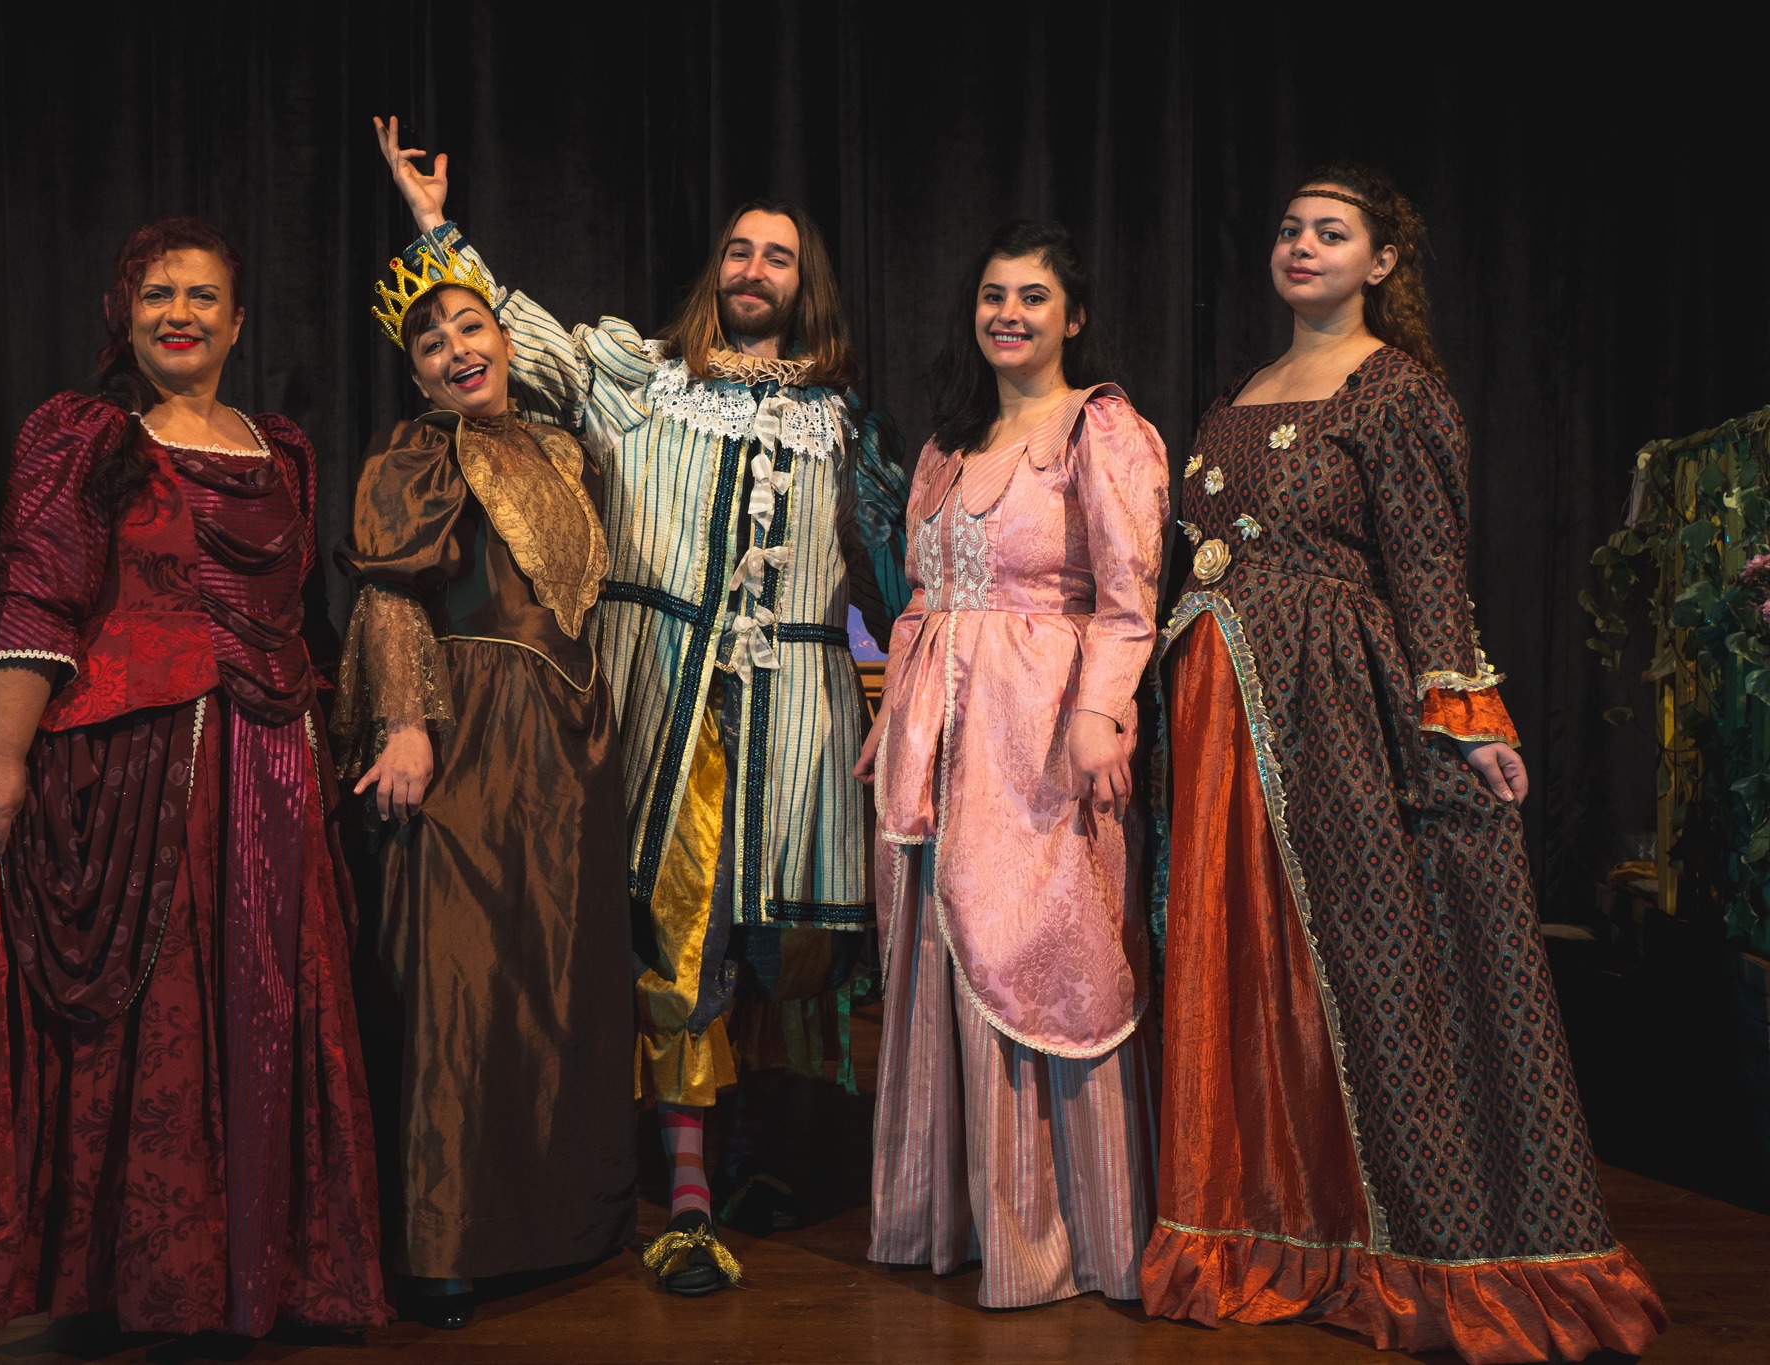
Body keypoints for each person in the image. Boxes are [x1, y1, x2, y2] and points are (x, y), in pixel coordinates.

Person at [370, 119, 909, 1293]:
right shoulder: (639, 380)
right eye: (739, 251)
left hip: (797, 724)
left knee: (782, 946)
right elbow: (510, 334)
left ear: (804, 282)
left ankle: (765, 1155)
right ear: (716, 270)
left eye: (776, 256)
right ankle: (685, 1193)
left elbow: (899, 575)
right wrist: (435, 228)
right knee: (675, 940)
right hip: (663, 711)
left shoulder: (841, 423)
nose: (753, 270)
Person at [1140, 164, 1666, 1362]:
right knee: (1243, 963)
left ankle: (1410, 1245)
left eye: (1329, 233)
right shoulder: (1240, 392)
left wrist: (1466, 717)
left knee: (1364, 966)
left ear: (1380, 261)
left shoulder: (1392, 390)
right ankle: (1259, 1228)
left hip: (1327, 705)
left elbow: (1427, 564)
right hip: (1217, 707)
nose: (1300, 246)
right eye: (1288, 229)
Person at [0, 219, 391, 1336]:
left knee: (267, 1002)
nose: (179, 314)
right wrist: (1, 755)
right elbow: (36, 598)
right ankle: (155, 1285)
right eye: (158, 295)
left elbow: (304, 617)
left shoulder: (283, 450)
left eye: (202, 297)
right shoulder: (86, 437)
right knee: (163, 1018)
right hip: (143, 769)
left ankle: (267, 1277)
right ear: (126, 315)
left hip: (275, 764)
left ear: (237, 323)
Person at [854, 221, 1167, 1308]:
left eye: (1033, 297)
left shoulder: (1099, 428)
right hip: (933, 734)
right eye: (994, 295)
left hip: (1036, 729)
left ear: (1073, 318)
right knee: (939, 948)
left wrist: (1100, 711)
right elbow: (919, 599)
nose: (1009, 314)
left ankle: (1061, 1236)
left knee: (1039, 950)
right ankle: (945, 1218)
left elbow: (1128, 597)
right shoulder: (948, 445)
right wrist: (891, 712)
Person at [331, 259, 636, 1328]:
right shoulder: (417, 452)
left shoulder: (564, 447)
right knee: (458, 971)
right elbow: (389, 595)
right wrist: (405, 724)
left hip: (571, 735)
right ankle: (446, 1240)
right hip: (469, 723)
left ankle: (560, 1223)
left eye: (471, 327)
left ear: (507, 341)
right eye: (431, 343)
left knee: (554, 970)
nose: (457, 349)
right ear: (416, 375)